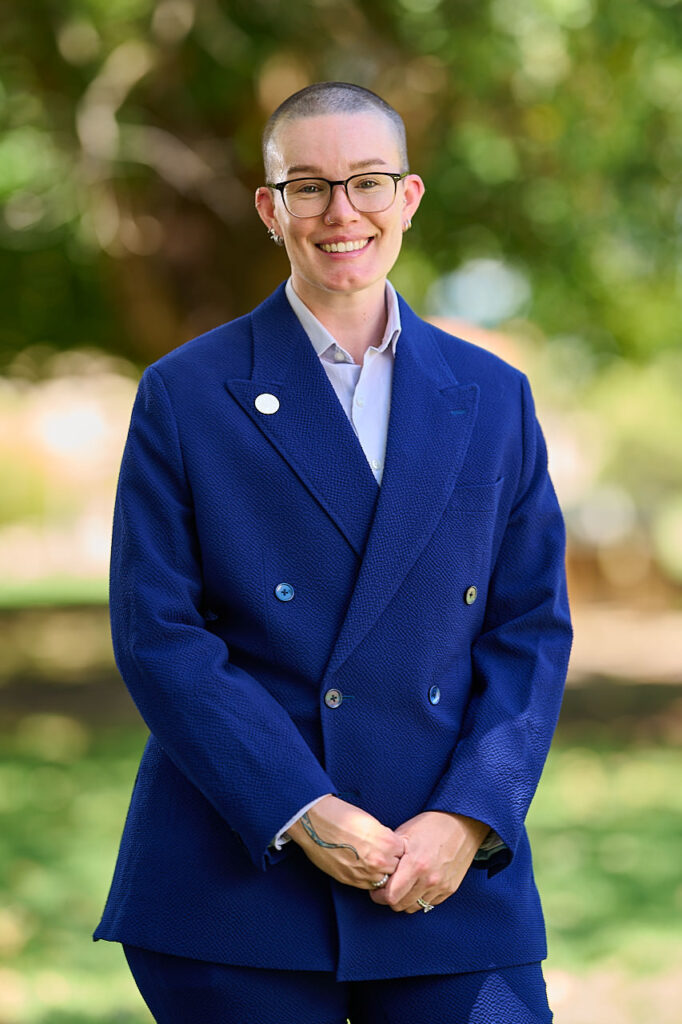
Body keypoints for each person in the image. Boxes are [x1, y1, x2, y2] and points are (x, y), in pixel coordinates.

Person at [93, 81, 572, 1023]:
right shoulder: (186, 393)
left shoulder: (495, 395)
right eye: (308, 187)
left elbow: (530, 632)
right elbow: (159, 634)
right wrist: (301, 809)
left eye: (367, 181)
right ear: (271, 210)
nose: (340, 211)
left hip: (442, 869)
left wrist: (471, 816)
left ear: (410, 198)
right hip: (238, 874)